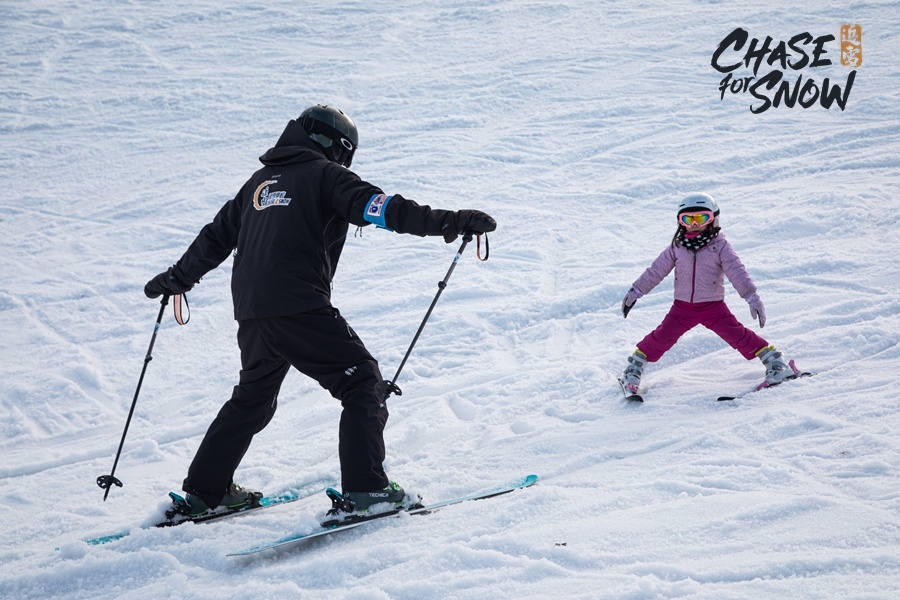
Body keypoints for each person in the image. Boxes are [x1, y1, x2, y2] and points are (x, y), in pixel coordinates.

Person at [144, 104, 496, 518]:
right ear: (338, 147)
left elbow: (213, 239)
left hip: (253, 312)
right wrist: (450, 221)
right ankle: (368, 491)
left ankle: (207, 490)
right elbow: (381, 208)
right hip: (299, 305)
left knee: (252, 399)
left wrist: (176, 280)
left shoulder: (257, 185)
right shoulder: (326, 175)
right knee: (362, 383)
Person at [619, 193, 796, 395]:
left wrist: (751, 296)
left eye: (701, 218)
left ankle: (776, 363)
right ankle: (633, 369)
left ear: (713, 219)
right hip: (682, 308)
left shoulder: (720, 246)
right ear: (680, 222)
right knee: (661, 338)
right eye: (688, 219)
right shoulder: (677, 247)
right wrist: (637, 290)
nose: (694, 224)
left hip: (713, 307)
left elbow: (737, 271)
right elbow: (656, 271)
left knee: (739, 336)